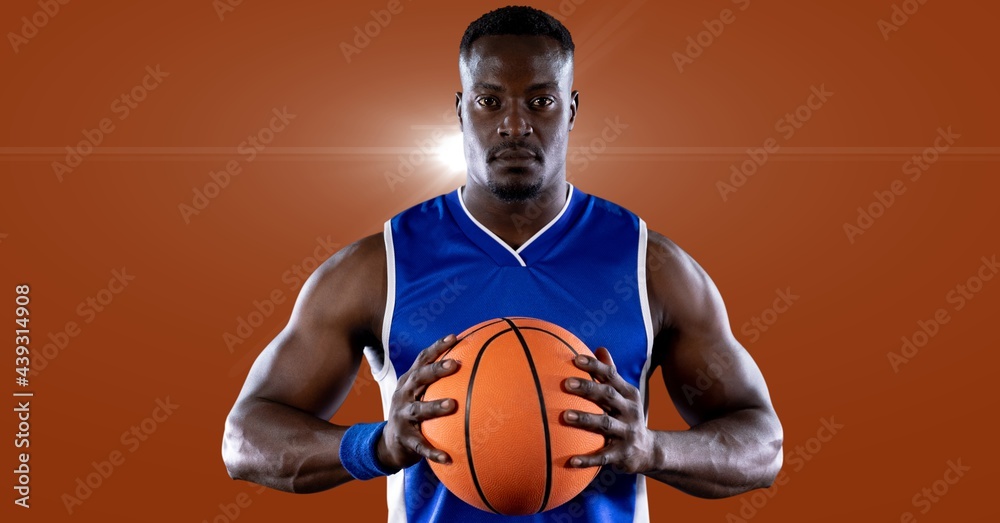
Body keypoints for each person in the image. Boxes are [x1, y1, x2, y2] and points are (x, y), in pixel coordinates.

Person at [222, 5, 783, 522]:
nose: (514, 125)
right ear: (461, 108)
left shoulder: (650, 265)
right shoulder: (379, 266)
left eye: (540, 101)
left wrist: (654, 449)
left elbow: (764, 445)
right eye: (491, 101)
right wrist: (377, 446)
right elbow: (245, 440)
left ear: (572, 109)